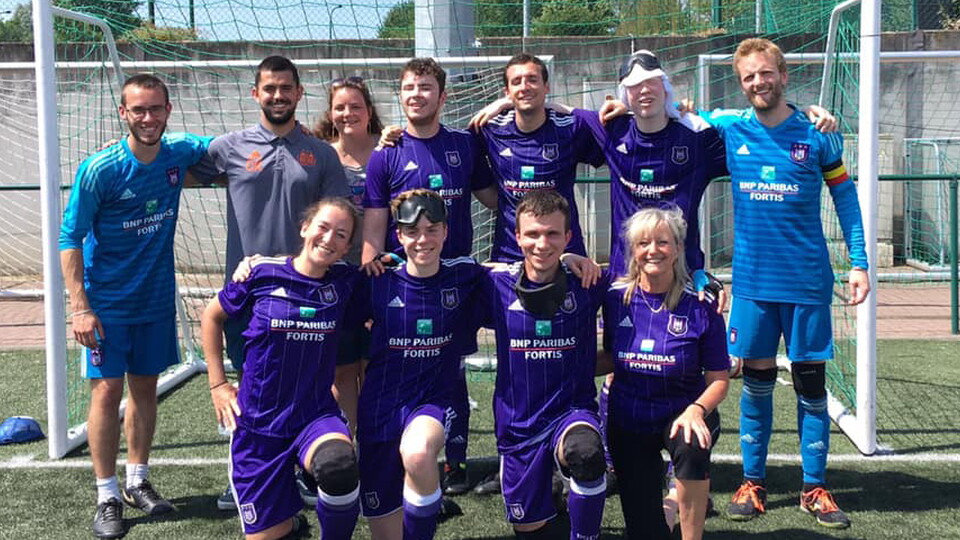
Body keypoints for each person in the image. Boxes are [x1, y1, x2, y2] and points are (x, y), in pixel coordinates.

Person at [697, 38, 870, 529]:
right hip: (753, 284)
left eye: (766, 73)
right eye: (749, 77)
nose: (759, 82)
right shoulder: (731, 128)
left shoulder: (819, 134)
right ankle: (753, 483)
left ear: (784, 74)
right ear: (741, 83)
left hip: (807, 283)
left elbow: (846, 200)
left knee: (811, 386)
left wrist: (859, 263)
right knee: (755, 384)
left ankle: (814, 488)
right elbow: (678, 116)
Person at [190, 55, 350, 511]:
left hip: (306, 293)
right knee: (250, 384)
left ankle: (298, 466)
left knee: (306, 382)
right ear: (255, 94)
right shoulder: (229, 147)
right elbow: (175, 167)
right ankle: (245, 472)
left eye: (285, 88)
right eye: (269, 88)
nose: (277, 96)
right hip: (248, 291)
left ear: (299, 93)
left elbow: (341, 217)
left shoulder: (321, 154)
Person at [59, 74, 211, 539]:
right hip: (106, 306)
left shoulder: (179, 152)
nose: (148, 118)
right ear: (123, 113)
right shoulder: (100, 169)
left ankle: (137, 481)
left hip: (156, 300)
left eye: (155, 109)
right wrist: (80, 307)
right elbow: (70, 237)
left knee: (146, 389)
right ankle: (106, 495)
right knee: (107, 392)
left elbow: (236, 148)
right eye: (138, 110)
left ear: (168, 111)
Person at [362, 58, 498, 497]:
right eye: (409, 88)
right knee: (402, 362)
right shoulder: (386, 152)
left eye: (425, 87)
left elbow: (497, 199)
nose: (416, 95)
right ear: (400, 95)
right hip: (406, 281)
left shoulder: (465, 145)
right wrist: (371, 271)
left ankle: (455, 463)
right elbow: (375, 225)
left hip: (456, 281)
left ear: (442, 96)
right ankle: (393, 450)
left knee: (452, 367)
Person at [201, 198, 364, 540]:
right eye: (322, 227)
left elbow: (396, 276)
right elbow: (212, 317)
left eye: (341, 235)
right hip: (258, 424)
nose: (328, 238)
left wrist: (384, 261)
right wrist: (218, 384)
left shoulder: (346, 282)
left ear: (347, 248)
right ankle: (290, 525)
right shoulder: (261, 272)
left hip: (314, 415)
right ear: (304, 228)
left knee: (338, 465)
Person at [356, 189, 487, 540]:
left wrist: (569, 258)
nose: (423, 240)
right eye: (412, 232)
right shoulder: (375, 280)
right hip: (380, 409)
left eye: (432, 230)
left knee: (417, 453)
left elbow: (525, 270)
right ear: (399, 235)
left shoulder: (466, 275)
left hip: (433, 401)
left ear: (446, 232)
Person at [484, 189, 608, 539]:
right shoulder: (494, 284)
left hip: (571, 412)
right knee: (531, 529)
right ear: (517, 236)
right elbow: (438, 275)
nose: (542, 244)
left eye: (552, 234)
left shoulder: (587, 281)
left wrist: (700, 278)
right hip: (518, 425)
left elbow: (642, 279)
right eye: (533, 234)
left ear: (568, 237)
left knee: (586, 453)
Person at [601, 206, 730, 540]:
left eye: (662, 242)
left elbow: (719, 379)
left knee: (690, 442)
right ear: (633, 250)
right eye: (643, 243)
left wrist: (697, 410)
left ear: (678, 248)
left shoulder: (702, 304)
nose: (653, 250)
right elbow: (609, 357)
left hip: (682, 412)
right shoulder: (614, 298)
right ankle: (670, 507)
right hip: (629, 419)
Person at [472, 53, 606, 263]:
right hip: (510, 255)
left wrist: (570, 109)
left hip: (565, 254)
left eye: (532, 80)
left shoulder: (570, 128)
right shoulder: (490, 129)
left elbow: (615, 141)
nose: (524, 87)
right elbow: (459, 151)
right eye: (516, 82)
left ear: (546, 87)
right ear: (507, 92)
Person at [314, 75, 385, 437]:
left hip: (380, 275)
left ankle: (374, 448)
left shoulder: (390, 148)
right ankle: (346, 446)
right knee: (341, 369)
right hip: (336, 277)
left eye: (355, 106)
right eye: (339, 107)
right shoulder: (320, 154)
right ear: (330, 113)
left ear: (369, 110)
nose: (347, 113)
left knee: (373, 366)